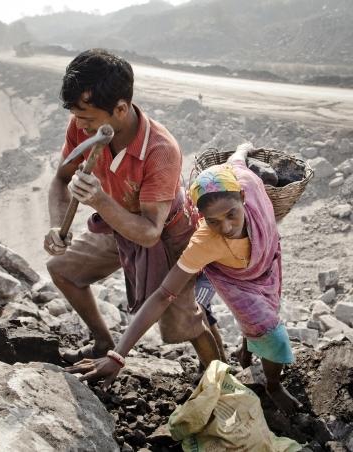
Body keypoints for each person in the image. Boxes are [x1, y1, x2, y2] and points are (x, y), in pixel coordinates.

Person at [66, 142, 302, 415]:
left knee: (265, 313)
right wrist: (118, 355)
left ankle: (246, 349)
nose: (225, 227)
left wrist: (244, 148)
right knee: (271, 332)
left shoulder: (249, 183)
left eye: (231, 215)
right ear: (202, 218)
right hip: (235, 280)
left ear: (242, 197)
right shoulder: (204, 242)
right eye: (213, 221)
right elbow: (164, 294)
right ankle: (273, 385)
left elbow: (236, 161)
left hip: (267, 263)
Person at [44, 49, 220, 369]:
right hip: (116, 225)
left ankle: (220, 382)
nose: (79, 126)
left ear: (121, 109)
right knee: (63, 270)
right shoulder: (83, 125)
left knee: (182, 325)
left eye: (88, 119)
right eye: (76, 116)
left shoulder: (160, 150)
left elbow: (151, 233)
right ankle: (102, 343)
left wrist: (99, 201)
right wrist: (58, 227)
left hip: (168, 236)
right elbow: (60, 180)